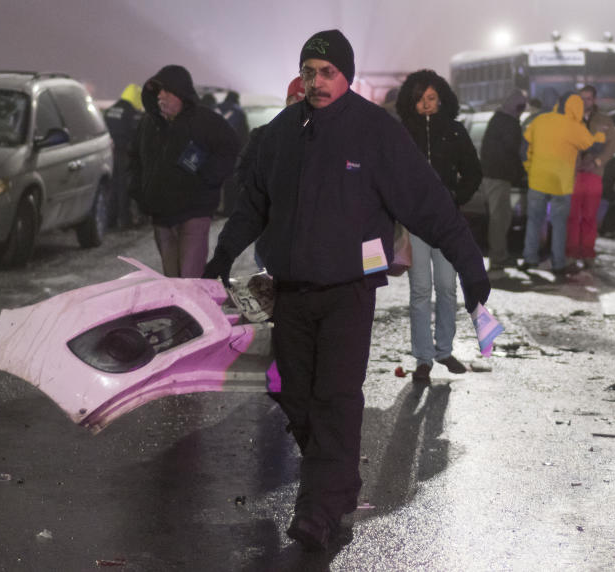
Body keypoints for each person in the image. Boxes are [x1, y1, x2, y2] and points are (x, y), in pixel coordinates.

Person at [202, 29, 489, 551]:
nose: (316, 81)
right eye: (308, 71)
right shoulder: (281, 133)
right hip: (289, 292)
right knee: (292, 394)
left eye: (327, 71)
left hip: (347, 294)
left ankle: (321, 509)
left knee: (335, 399)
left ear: (347, 75)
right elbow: (253, 206)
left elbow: (428, 204)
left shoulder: (375, 132)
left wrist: (470, 268)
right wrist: (220, 258)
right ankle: (335, 483)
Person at [395, 69, 482, 383]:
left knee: (447, 288)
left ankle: (444, 350)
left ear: (442, 98)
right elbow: (390, 176)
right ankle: (423, 359)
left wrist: (456, 197)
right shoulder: (401, 133)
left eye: (431, 98)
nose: (426, 104)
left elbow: (473, 171)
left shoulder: (456, 132)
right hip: (416, 224)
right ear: (411, 102)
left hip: (447, 224)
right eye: (420, 99)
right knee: (420, 291)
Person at [129, 65, 240, 278]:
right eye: (158, 91)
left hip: (193, 213)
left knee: (190, 280)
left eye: (166, 91)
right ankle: (179, 312)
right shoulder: (148, 124)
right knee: (172, 282)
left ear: (181, 94)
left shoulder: (206, 121)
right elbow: (134, 158)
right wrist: (138, 191)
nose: (160, 96)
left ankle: (193, 312)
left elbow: (230, 149)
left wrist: (207, 177)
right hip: (161, 216)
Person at [521, 93, 605, 276]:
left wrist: (529, 167)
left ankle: (529, 259)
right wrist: (600, 136)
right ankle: (558, 264)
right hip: (561, 183)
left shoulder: (541, 120)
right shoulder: (575, 128)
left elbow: (524, 146)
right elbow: (593, 147)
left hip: (537, 179)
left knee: (534, 220)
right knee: (559, 224)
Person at [566, 85, 615, 269]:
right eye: (581, 98)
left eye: (588, 98)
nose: (585, 102)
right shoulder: (570, 119)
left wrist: (596, 162)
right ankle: (571, 254)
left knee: (589, 216)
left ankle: (588, 253)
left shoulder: (604, 121)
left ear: (594, 100)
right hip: (573, 175)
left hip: (594, 174)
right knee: (572, 217)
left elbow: (612, 146)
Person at [480, 89, 526, 271]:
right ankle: (498, 257)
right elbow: (513, 151)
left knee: (501, 217)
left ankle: (500, 255)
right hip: (498, 177)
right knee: (499, 219)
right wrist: (521, 172)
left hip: (493, 175)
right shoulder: (509, 123)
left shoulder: (497, 120)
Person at [103, 84, 144, 229]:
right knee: (124, 186)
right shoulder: (132, 112)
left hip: (108, 152)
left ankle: (109, 221)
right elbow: (137, 135)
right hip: (125, 153)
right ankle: (125, 220)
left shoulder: (109, 110)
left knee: (112, 186)